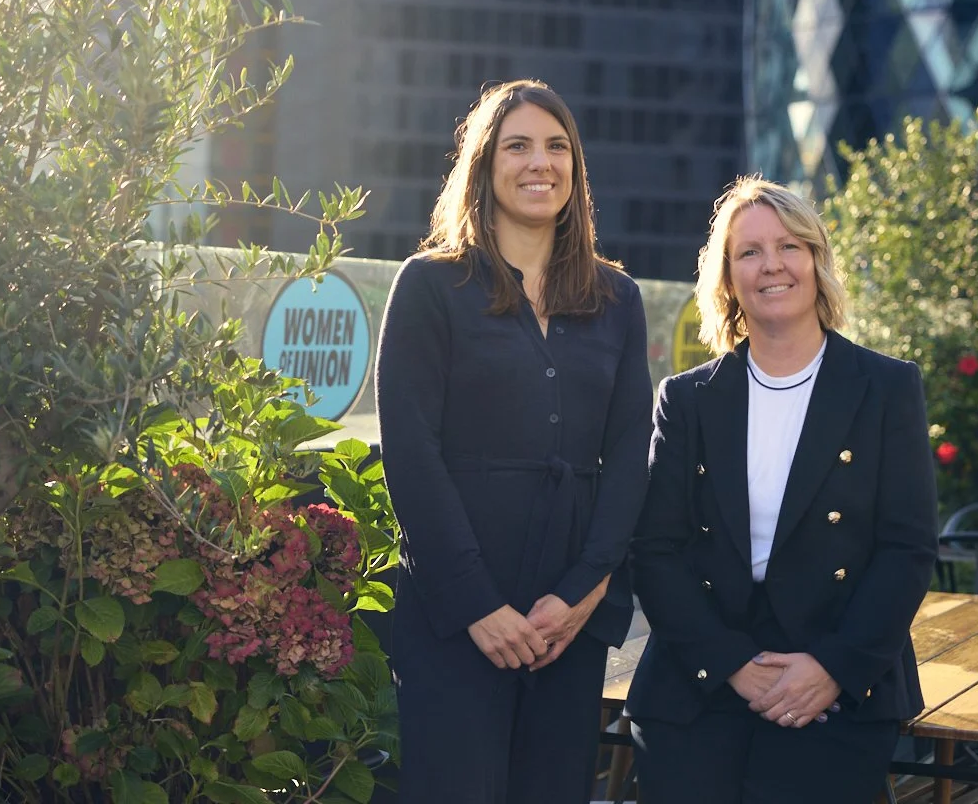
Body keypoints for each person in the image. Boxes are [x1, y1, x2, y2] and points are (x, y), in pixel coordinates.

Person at [375, 79, 653, 804]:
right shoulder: (430, 285)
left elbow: (630, 454)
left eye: (557, 147)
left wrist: (584, 591)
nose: (540, 163)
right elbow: (410, 453)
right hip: (456, 612)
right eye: (518, 146)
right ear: (484, 164)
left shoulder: (617, 300)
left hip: (567, 619)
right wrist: (476, 605)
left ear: (575, 168)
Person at [625, 175, 938, 804]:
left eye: (789, 246)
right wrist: (731, 665)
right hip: (704, 670)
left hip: (836, 670)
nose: (772, 265)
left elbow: (907, 549)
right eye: (750, 252)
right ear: (727, 279)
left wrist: (833, 668)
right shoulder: (686, 398)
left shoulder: (886, 388)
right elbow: (656, 549)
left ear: (817, 261)